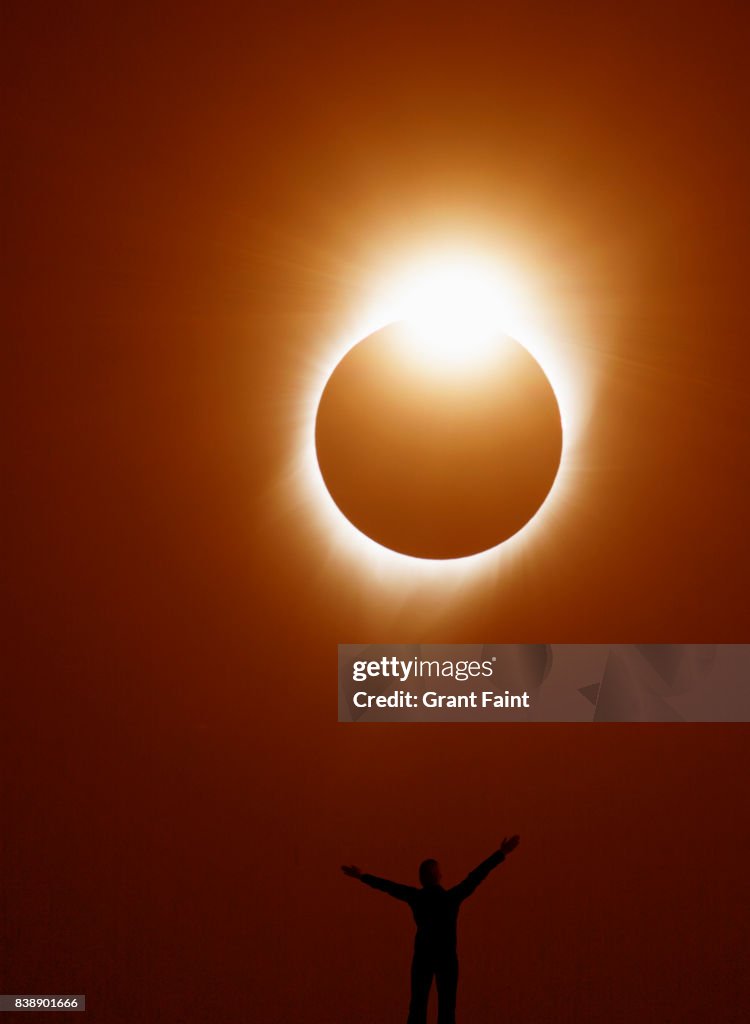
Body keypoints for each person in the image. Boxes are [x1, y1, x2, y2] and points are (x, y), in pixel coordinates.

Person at [341, 834, 520, 1024]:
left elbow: (389, 886)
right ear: (438, 876)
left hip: (423, 958)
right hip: (447, 959)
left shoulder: (416, 897)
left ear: (421, 878)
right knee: (447, 1010)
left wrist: (362, 876)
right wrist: (501, 853)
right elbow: (476, 876)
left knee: (417, 1008)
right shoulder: (450, 899)